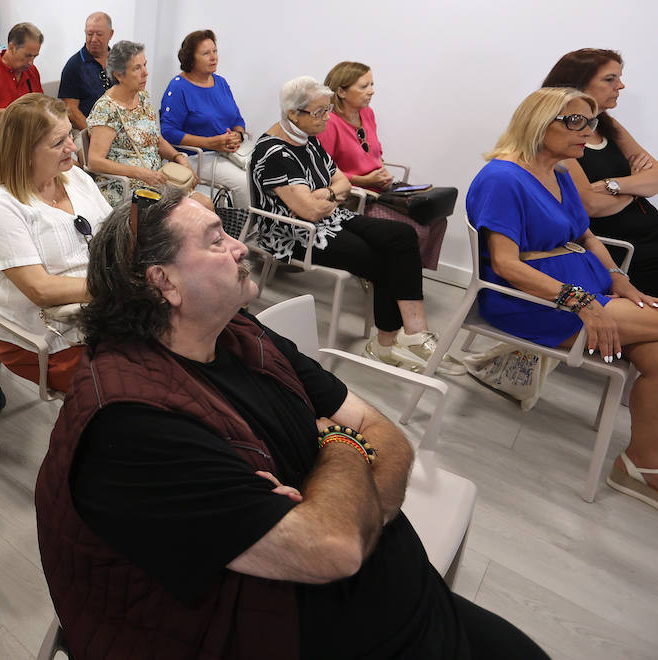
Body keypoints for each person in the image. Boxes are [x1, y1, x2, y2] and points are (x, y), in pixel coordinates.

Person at [35, 186, 548, 659]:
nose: (240, 247)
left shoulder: (237, 331)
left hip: (400, 599)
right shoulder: (128, 425)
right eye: (216, 241)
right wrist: (345, 446)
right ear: (163, 282)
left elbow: (388, 436)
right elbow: (336, 546)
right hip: (279, 634)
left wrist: (346, 503)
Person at [466, 87, 658, 507]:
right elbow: (505, 265)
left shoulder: (560, 171)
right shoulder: (503, 177)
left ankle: (641, 464)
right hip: (531, 301)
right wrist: (582, 302)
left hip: (585, 288)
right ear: (538, 122)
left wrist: (616, 277)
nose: (587, 133)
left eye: (590, 123)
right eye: (574, 122)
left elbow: (586, 235)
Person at [250, 76, 440, 370]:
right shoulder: (274, 153)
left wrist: (325, 194)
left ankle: (414, 332)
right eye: (320, 112)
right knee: (379, 258)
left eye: (327, 110)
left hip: (333, 218)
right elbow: (309, 212)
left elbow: (341, 182)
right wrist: (330, 195)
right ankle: (385, 343)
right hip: (293, 233)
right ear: (292, 113)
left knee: (401, 235)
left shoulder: (308, 139)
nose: (327, 118)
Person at [0, 94, 112, 392]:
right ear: (26, 153)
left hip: (102, 319)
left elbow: (114, 234)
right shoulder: (2, 207)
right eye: (58, 142)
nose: (73, 147)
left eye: (70, 136)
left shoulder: (75, 178)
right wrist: (115, 286)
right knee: (129, 386)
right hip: (48, 340)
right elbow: (41, 289)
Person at [543, 48, 658, 294]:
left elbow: (656, 176)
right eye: (610, 79)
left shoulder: (608, 124)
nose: (621, 86)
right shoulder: (557, 134)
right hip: (621, 249)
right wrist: (638, 185)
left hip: (649, 234)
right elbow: (590, 205)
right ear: (578, 84)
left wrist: (613, 185)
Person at [320, 61, 449, 270]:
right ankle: (399, 273)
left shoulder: (367, 114)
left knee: (437, 219)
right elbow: (323, 172)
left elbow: (374, 152)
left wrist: (381, 169)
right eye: (364, 86)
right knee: (419, 229)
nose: (372, 91)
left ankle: (404, 270)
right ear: (341, 92)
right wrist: (365, 180)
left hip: (380, 189)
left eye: (372, 84)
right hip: (354, 197)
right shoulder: (329, 122)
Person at [86, 41, 188, 206]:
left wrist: (177, 156)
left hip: (155, 181)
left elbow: (155, 138)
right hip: (126, 189)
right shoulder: (106, 109)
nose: (146, 73)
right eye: (137, 68)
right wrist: (141, 173)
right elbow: (94, 161)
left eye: (145, 65)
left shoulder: (142, 97)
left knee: (203, 205)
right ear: (119, 75)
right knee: (194, 212)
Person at [159, 29, 252, 211]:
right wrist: (210, 143)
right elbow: (168, 132)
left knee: (261, 172)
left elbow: (237, 120)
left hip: (228, 153)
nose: (213, 57)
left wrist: (237, 135)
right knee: (244, 183)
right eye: (206, 53)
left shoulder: (221, 83)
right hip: (196, 156)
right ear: (191, 58)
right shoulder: (178, 87)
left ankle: (254, 225)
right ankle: (240, 230)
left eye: (214, 51)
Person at [58, 12, 114, 131]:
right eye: (89, 34)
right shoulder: (74, 65)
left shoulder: (120, 61)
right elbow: (70, 110)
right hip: (85, 130)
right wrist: (94, 134)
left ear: (110, 34)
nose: (93, 39)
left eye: (99, 34)